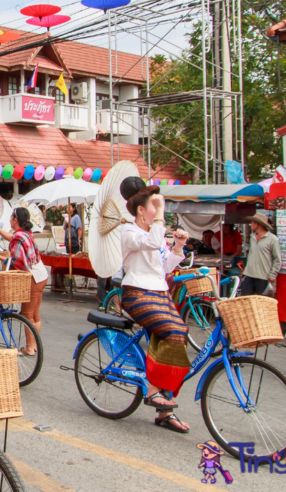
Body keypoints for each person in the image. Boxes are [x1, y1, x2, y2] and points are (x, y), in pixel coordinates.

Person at [118, 177, 190, 434]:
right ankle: (152, 390)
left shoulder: (155, 234)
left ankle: (166, 411)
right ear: (141, 210)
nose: (158, 210)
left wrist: (179, 246)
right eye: (154, 206)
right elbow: (149, 243)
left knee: (177, 337)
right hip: (137, 293)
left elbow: (165, 267)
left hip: (160, 293)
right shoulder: (129, 232)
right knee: (173, 332)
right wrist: (160, 217)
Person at [0, 207, 46, 355]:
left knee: (27, 314)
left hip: (33, 276)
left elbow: (17, 262)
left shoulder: (19, 236)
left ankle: (30, 347)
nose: (10, 219)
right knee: (35, 313)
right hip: (41, 274)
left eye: (11, 217)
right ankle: (34, 344)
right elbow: (11, 238)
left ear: (15, 220)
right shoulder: (24, 233)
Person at [239, 213, 281, 296]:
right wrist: (246, 270)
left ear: (257, 224)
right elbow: (250, 255)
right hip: (249, 274)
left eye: (252, 223)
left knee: (262, 303)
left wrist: (273, 274)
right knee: (245, 300)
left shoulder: (272, 239)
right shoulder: (252, 237)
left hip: (263, 276)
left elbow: (277, 259)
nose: (250, 225)